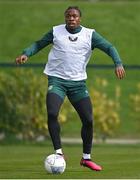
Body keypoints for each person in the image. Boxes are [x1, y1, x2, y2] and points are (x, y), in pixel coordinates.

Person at [15, 6, 125, 171]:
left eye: (74, 16)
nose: (71, 19)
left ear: (80, 18)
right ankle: (58, 153)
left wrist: (118, 63)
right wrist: (26, 53)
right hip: (57, 80)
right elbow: (39, 44)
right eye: (68, 16)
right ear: (65, 18)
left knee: (88, 120)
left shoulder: (90, 35)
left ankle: (86, 158)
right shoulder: (56, 31)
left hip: (78, 84)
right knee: (52, 112)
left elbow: (110, 47)